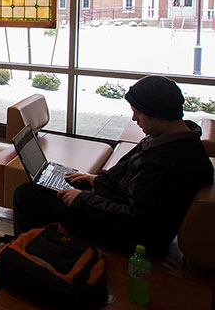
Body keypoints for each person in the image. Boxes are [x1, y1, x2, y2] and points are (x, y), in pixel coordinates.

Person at [13, 75, 213, 255]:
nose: (134, 119)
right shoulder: (171, 140)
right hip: (115, 202)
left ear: (156, 113)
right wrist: (97, 180)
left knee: (27, 195)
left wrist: (81, 200)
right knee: (47, 184)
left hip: (128, 236)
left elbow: (136, 223)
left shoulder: (168, 161)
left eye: (138, 113)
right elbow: (131, 180)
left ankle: (27, 255)